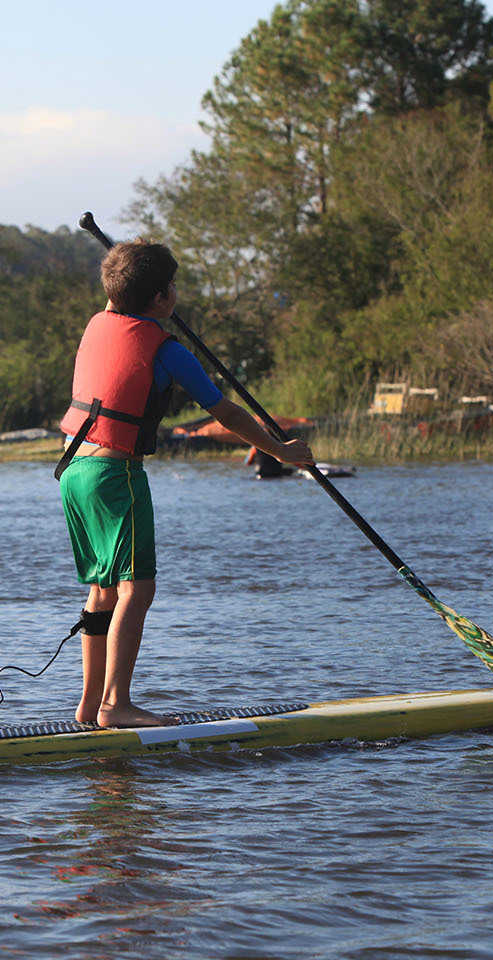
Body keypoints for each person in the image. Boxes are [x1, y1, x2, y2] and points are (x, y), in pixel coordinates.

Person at [56, 240, 313, 729]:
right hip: (115, 475)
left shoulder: (98, 322)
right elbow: (227, 413)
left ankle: (89, 705)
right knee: (137, 588)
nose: (176, 292)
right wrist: (281, 451)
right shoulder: (169, 352)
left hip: (73, 472)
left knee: (103, 589)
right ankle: (115, 705)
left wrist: (130, 274)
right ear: (159, 298)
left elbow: (121, 294)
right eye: (171, 286)